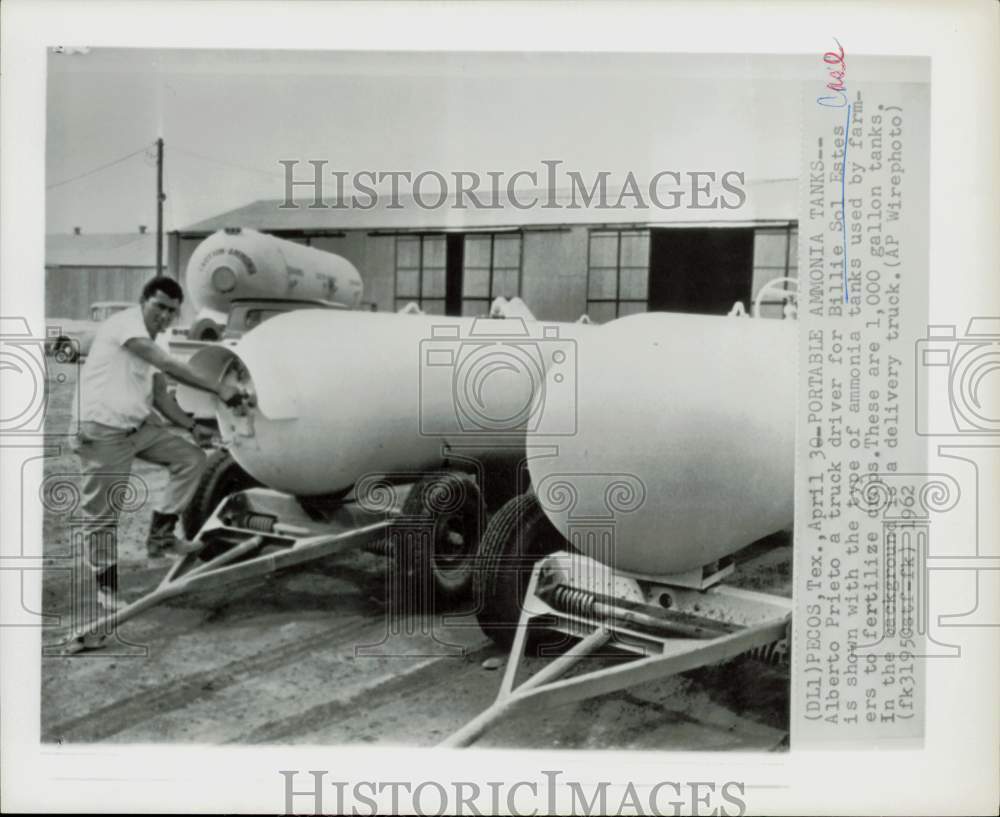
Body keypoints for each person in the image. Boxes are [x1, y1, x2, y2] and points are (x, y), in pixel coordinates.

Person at [71, 276, 245, 611]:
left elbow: (163, 398)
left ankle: (160, 539)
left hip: (134, 429)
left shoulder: (151, 343)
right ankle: (106, 590)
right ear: (143, 301)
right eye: (160, 307)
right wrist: (219, 388)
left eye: (172, 311)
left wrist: (192, 426)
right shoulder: (124, 326)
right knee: (103, 516)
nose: (165, 316)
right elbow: (167, 364)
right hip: (102, 430)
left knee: (191, 458)